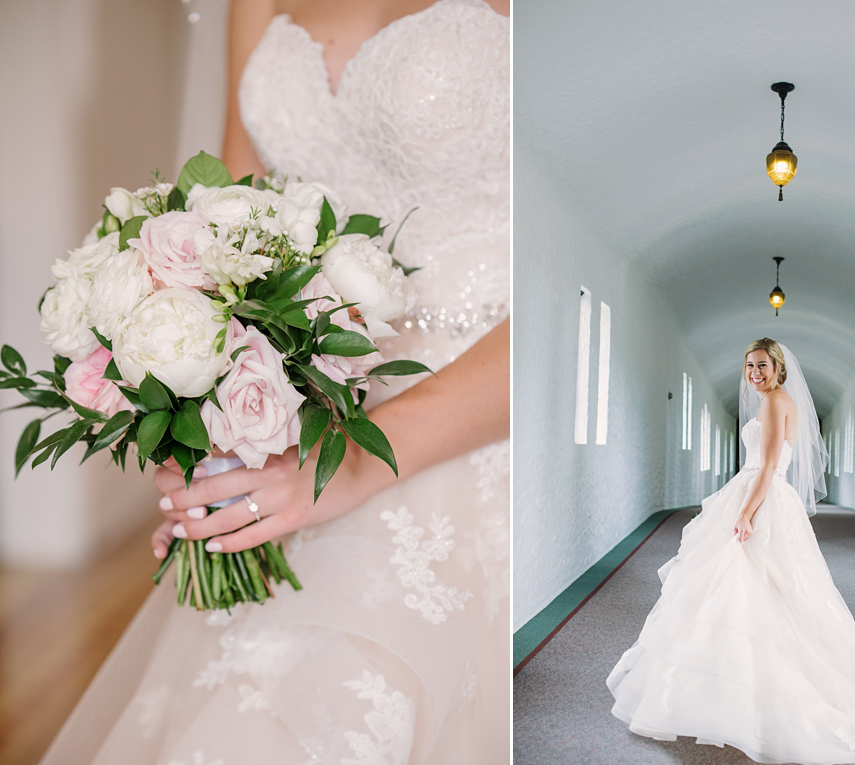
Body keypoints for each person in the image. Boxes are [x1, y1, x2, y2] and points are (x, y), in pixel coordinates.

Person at [42, 1, 509, 762]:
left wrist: (352, 461)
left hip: (467, 421)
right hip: (305, 405)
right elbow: (230, 220)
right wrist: (208, 432)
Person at [606, 338, 855, 764]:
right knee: (762, 594)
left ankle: (748, 693)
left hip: (761, 499)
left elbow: (766, 467)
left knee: (747, 589)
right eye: (749, 366)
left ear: (778, 368)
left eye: (762, 365)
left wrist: (745, 513)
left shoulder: (772, 402)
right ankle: (734, 690)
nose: (754, 373)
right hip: (770, 498)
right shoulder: (781, 400)